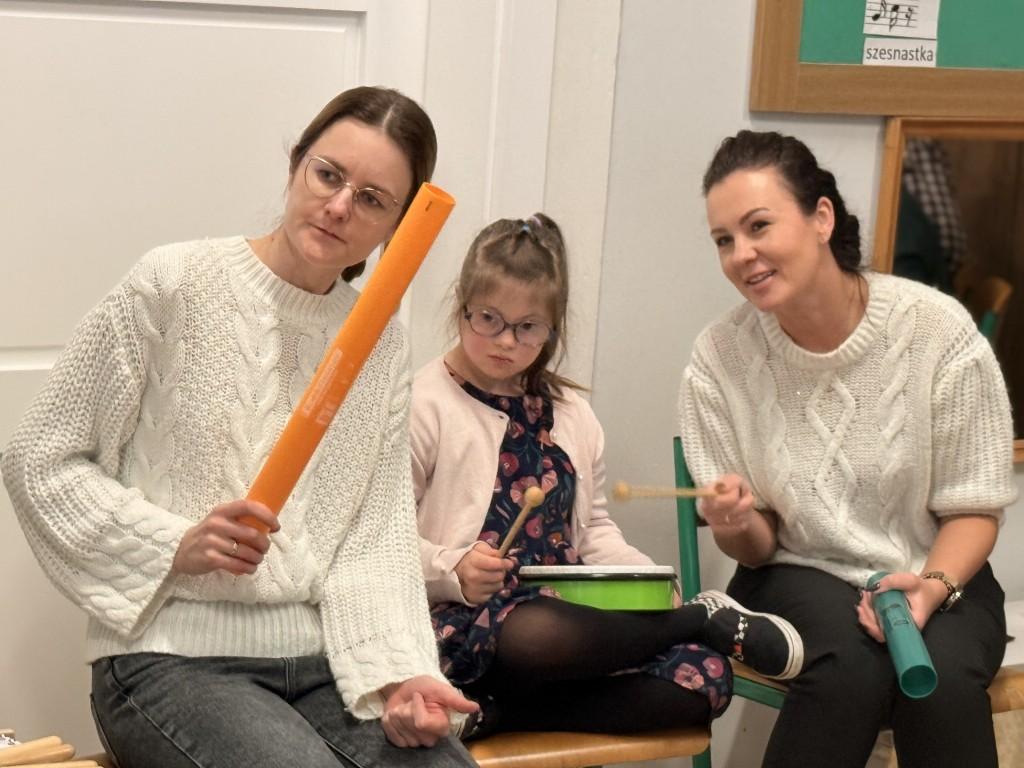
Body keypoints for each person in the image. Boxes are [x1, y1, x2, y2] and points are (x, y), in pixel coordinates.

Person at [2, 86, 479, 768]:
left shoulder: (382, 345)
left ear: (397, 228)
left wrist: (400, 678)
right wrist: (173, 543)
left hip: (323, 668)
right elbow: (38, 457)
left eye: (373, 199)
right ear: (295, 165)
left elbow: (374, 535)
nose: (339, 206)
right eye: (329, 174)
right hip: (168, 662)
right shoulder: (173, 283)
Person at [680, 129, 1017, 768]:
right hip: (796, 570)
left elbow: (974, 509)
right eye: (724, 240)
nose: (742, 255)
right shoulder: (718, 359)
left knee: (940, 680)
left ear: (821, 218)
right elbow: (758, 546)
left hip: (939, 568)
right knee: (850, 670)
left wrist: (930, 588)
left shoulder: (937, 331)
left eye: (758, 226)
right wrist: (734, 521)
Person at [411, 213, 803, 740]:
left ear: (553, 327)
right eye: (488, 319)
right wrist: (452, 569)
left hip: (579, 628)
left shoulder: (570, 413)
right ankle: (700, 620)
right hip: (469, 619)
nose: (505, 341)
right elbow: (382, 544)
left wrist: (650, 582)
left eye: (528, 327)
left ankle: (495, 716)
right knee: (536, 633)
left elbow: (592, 532)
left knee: (705, 678)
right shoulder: (423, 402)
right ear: (461, 304)